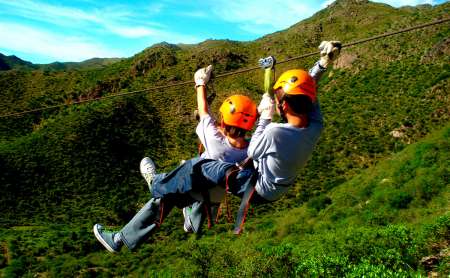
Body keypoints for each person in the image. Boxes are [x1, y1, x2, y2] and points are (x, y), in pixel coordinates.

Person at [93, 40, 341, 252]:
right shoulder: (314, 126)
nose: (275, 103)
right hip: (257, 188)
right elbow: (308, 91)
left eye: (277, 99)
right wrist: (321, 65)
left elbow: (248, 144)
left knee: (196, 168)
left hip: (256, 187)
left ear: (284, 106)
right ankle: (191, 217)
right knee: (194, 177)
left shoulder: (274, 131)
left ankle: (154, 184)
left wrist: (264, 117)